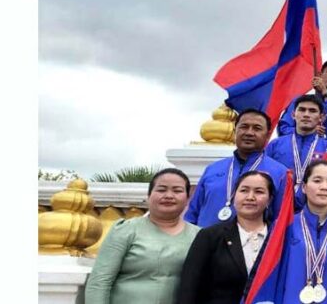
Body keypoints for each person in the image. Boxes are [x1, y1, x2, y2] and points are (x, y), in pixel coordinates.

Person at [86, 168, 199, 304]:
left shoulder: (200, 236)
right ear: (149, 196)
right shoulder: (126, 230)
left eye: (177, 191)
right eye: (161, 190)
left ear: (187, 199)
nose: (169, 195)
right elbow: (100, 281)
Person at [262, 160, 327, 304]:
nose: (324, 187)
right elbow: (271, 272)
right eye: (317, 181)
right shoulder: (286, 225)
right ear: (304, 187)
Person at [176, 171, 275, 304]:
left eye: (259, 192)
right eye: (244, 190)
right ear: (234, 196)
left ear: (270, 199)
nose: (250, 197)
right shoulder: (210, 236)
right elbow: (189, 287)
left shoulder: (279, 236)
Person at [185, 109, 289, 227]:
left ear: (267, 135)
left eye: (257, 128)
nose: (249, 133)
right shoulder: (213, 169)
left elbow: (280, 220)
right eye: (244, 127)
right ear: (235, 131)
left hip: (253, 242)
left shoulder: (280, 173)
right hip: (206, 241)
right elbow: (192, 214)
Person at [277, 59, 327, 140]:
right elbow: (283, 129)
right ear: (320, 75)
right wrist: (306, 131)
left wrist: (326, 95)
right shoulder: (300, 101)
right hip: (301, 149)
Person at [264, 94, 327, 189]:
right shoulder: (275, 145)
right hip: (280, 200)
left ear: (321, 117)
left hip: (312, 201)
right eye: (302, 110)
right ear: (293, 115)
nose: (306, 115)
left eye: (312, 111)